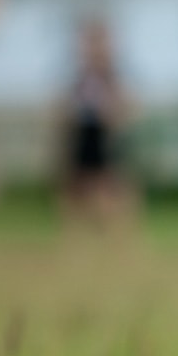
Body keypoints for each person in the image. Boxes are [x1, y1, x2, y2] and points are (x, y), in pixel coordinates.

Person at [61, 19, 132, 225]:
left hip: (104, 131)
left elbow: (123, 105)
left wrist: (115, 119)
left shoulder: (111, 75)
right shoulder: (81, 76)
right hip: (84, 130)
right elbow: (71, 104)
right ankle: (81, 226)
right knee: (77, 182)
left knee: (110, 182)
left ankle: (115, 224)